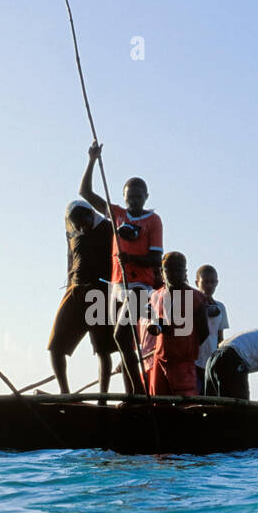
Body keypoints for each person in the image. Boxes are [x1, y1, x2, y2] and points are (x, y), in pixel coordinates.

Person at [79, 141, 163, 395]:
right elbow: (85, 192)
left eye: (139, 196)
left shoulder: (153, 220)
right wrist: (92, 160)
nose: (134, 200)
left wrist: (130, 258)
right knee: (127, 341)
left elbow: (155, 259)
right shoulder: (117, 214)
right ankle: (133, 390)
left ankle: (137, 391)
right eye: (130, 196)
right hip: (118, 287)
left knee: (121, 335)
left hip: (139, 286)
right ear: (124, 196)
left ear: (146, 197)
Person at [48, 199, 117, 394]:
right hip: (75, 290)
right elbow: (71, 260)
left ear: (90, 215)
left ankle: (103, 395)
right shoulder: (71, 233)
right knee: (56, 346)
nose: (81, 226)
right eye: (76, 223)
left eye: (83, 221)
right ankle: (65, 392)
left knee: (102, 349)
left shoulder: (107, 228)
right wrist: (70, 284)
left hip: (100, 291)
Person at [145, 252, 210, 396]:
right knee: (158, 405)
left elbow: (204, 331)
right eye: (170, 270)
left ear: (185, 272)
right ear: (162, 272)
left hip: (183, 363)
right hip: (160, 359)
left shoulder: (196, 297)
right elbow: (155, 323)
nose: (174, 273)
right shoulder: (156, 296)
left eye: (179, 270)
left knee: (186, 407)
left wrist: (186, 346)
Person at [194, 264, 229, 395]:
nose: (209, 286)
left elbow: (220, 337)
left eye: (212, 282)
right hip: (193, 361)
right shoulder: (190, 304)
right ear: (197, 282)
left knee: (211, 397)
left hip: (211, 361)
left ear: (217, 283)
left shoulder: (220, 307)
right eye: (205, 282)